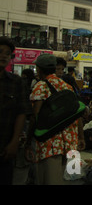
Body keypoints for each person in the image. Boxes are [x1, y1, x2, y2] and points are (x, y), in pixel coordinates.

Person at [26, 53, 85, 185]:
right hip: (69, 142)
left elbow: (35, 117)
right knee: (64, 179)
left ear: (39, 69)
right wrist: (81, 137)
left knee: (48, 180)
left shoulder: (41, 86)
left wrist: (28, 142)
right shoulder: (67, 86)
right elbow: (76, 114)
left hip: (49, 143)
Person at [0, 37, 33, 185]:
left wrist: (14, 142)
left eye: (8, 53)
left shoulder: (16, 82)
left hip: (5, 147)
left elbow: (21, 112)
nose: (4, 56)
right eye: (0, 52)